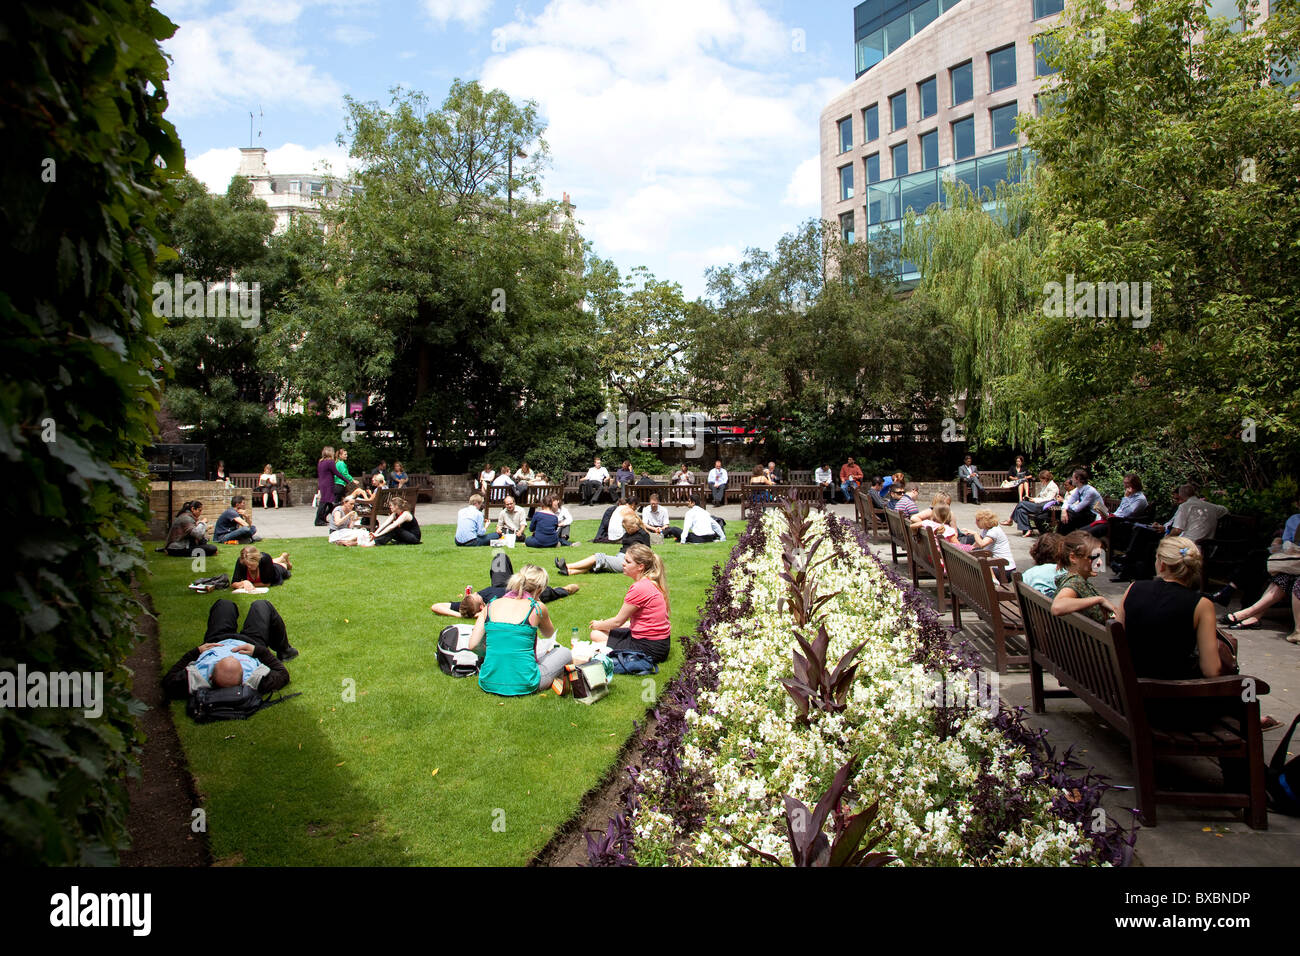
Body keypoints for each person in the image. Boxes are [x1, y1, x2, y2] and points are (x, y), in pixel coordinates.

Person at [161, 598, 297, 702]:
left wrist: (196, 652)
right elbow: (283, 674)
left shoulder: (195, 680)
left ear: (210, 676)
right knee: (261, 605)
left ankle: (284, 649)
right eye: (234, 659)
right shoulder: (256, 680)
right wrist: (258, 651)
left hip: (217, 639)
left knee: (224, 604)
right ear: (243, 676)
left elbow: (168, 680)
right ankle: (285, 650)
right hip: (250, 642)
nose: (231, 656)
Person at [468, 565, 572, 697]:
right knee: (564, 652)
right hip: (526, 682)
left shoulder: (491, 605)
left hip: (488, 680)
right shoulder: (537, 608)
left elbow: (472, 645)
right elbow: (548, 633)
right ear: (540, 589)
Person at [1114, 483, 1228, 583]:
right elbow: (1224, 510)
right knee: (1143, 535)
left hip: (1189, 545)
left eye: (1178, 499)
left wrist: (1164, 541)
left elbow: (1177, 531)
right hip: (1203, 545)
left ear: (1183, 496)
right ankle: (1129, 568)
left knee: (1151, 547)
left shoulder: (1185, 506)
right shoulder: (1211, 507)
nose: (1177, 502)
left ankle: (1137, 574)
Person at [588, 544, 672, 663]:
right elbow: (638, 621)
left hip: (648, 647)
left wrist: (598, 624)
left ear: (640, 566)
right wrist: (603, 625)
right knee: (596, 634)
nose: (623, 564)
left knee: (595, 637)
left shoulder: (639, 588)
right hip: (659, 643)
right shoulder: (651, 582)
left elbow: (618, 621)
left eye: (628, 561)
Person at [432, 554, 579, 618]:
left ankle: (514, 576)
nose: (476, 593)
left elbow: (436, 606)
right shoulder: (496, 607)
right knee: (554, 592)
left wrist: (459, 614)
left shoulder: (468, 604)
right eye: (476, 596)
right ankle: (567, 588)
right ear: (482, 606)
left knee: (500, 557)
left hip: (500, 583)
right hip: (520, 590)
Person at [555, 514, 652, 577]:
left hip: (628, 561)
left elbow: (648, 554)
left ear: (634, 526)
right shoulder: (628, 533)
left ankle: (567, 566)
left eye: (627, 528)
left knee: (598, 557)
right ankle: (569, 572)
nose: (626, 530)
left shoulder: (643, 535)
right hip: (620, 556)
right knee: (596, 565)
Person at [1051, 531, 1114, 624]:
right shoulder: (1075, 582)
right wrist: (1099, 599)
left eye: (1101, 556)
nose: (1100, 562)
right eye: (1094, 557)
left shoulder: (1072, 579)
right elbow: (1057, 607)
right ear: (1073, 557)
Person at [1090, 473, 1149, 545]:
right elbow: (1120, 510)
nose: (1125, 486)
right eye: (1124, 483)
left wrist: (1126, 497)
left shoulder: (1140, 499)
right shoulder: (1130, 495)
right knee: (1085, 530)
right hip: (1113, 520)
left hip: (1120, 525)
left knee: (1088, 533)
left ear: (1135, 484)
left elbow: (1128, 513)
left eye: (1127, 483)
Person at [964, 509, 1018, 584]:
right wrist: (965, 548)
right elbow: (976, 545)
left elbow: (982, 544)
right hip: (998, 565)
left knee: (977, 571)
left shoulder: (994, 531)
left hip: (1005, 568)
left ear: (984, 521)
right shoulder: (986, 530)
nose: (975, 522)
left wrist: (975, 534)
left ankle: (994, 582)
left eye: (977, 520)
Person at [1008, 470, 1060, 536]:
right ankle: (1028, 529)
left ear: (1045, 478)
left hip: (1044, 507)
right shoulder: (1046, 485)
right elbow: (1041, 497)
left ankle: (1010, 519)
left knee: (1021, 504)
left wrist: (1035, 500)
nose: (1041, 481)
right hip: (1040, 504)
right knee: (1021, 510)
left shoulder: (1052, 486)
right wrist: (1031, 499)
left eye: (1041, 479)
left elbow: (1049, 499)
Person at [1057, 468, 1103, 535]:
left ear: (1078, 479)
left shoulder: (1090, 491)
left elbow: (1078, 508)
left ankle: (1062, 538)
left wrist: (1066, 510)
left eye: (1073, 477)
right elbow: (1068, 502)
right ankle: (1063, 538)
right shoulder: (1079, 489)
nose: (1071, 479)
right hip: (1086, 514)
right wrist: (1064, 510)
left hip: (1095, 516)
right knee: (1066, 515)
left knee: (1069, 515)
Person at [315, 446, 337, 526]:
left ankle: (322, 518)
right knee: (324, 502)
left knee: (328, 502)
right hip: (328, 484)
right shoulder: (330, 461)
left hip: (322, 483)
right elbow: (336, 472)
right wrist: (348, 480)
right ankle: (318, 520)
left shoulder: (321, 461)